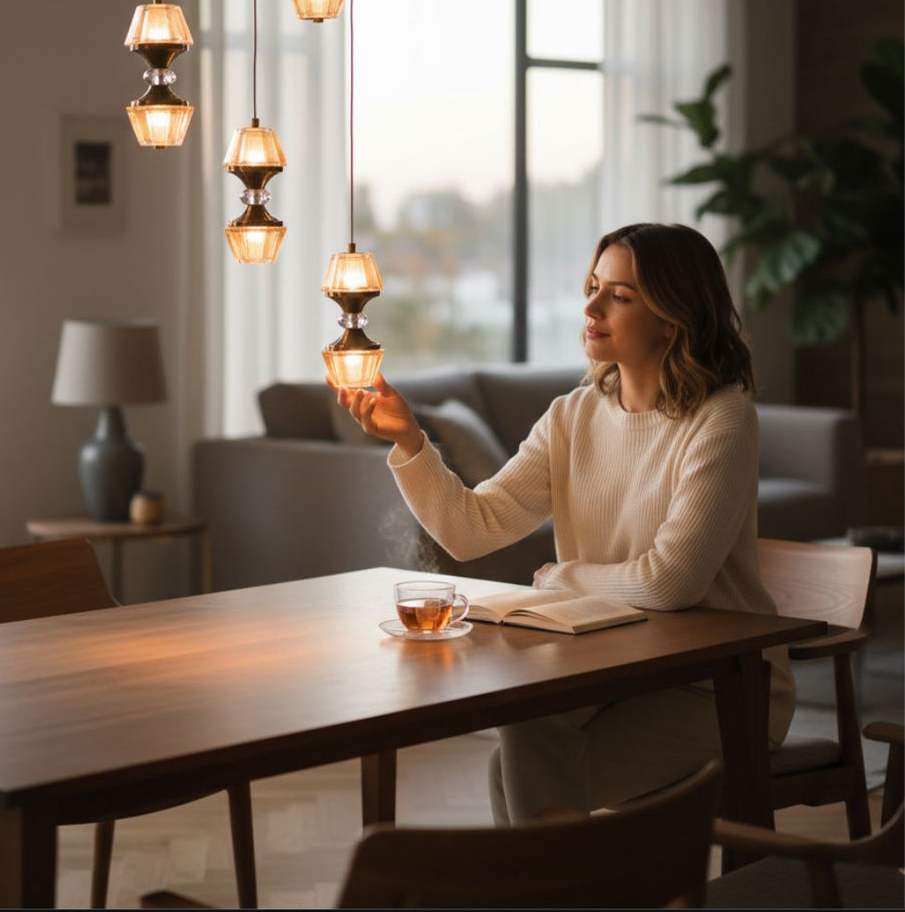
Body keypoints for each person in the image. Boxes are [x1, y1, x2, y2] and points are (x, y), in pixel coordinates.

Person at [329, 222, 795, 824]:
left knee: (526, 768)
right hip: (617, 666)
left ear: (673, 317)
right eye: (594, 286)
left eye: (619, 296)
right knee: (524, 736)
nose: (591, 306)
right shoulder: (572, 416)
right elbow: (472, 529)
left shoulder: (722, 420)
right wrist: (411, 441)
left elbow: (669, 584)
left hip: (719, 688)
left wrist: (561, 578)